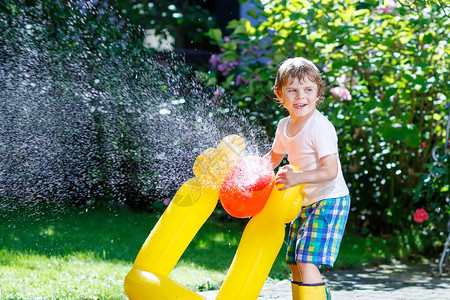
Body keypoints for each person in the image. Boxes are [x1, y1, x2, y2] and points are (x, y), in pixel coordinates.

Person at [264, 57, 350, 300]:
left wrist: (297, 178)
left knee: (306, 259)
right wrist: (250, 174)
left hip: (329, 199)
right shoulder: (284, 126)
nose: (300, 96)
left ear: (318, 93)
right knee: (293, 260)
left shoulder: (319, 127)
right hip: (303, 201)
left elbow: (330, 171)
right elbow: (272, 158)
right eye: (292, 90)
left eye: (307, 90)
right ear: (280, 95)